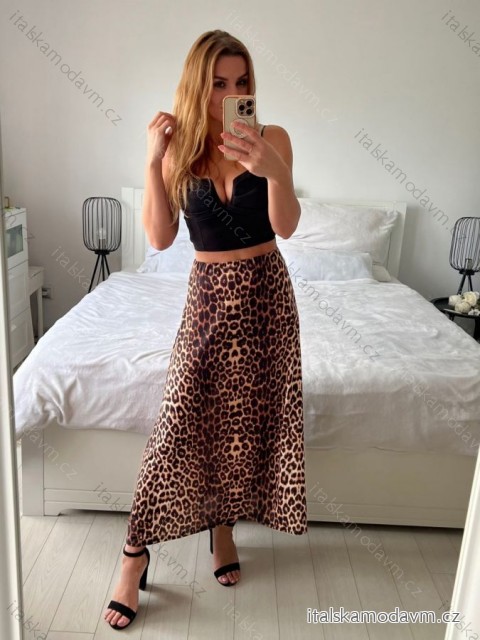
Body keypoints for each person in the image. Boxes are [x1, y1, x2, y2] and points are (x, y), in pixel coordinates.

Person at [104, 29, 307, 631]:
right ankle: (133, 555)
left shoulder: (272, 139)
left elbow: (286, 227)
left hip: (267, 300)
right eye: (218, 83)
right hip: (209, 301)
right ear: (198, 85)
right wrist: (151, 160)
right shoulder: (179, 153)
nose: (230, 93)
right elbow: (159, 237)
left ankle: (223, 530)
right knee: (177, 426)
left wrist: (274, 173)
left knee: (243, 426)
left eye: (241, 82)